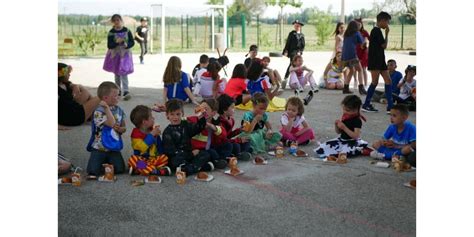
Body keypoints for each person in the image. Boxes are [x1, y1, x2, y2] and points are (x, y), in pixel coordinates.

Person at [161, 99, 214, 175]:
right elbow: (171, 152)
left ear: (182, 113)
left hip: (189, 155)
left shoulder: (186, 124)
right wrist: (191, 154)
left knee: (205, 154)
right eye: (172, 114)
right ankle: (198, 167)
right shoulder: (167, 132)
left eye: (178, 114)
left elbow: (199, 127)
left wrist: (201, 117)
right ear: (167, 115)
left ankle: (188, 168)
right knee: (175, 161)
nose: (175, 117)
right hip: (179, 157)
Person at [85, 82, 126, 179]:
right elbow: (111, 124)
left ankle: (106, 163)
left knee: (120, 169)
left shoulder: (119, 110)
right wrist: (107, 108)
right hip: (100, 147)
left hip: (113, 146)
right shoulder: (99, 111)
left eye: (118, 95)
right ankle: (102, 163)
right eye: (115, 96)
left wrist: (121, 129)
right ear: (105, 98)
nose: (118, 97)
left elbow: (123, 127)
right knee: (93, 172)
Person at [362, 11, 393, 113]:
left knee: (388, 80)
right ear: (382, 21)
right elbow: (384, 45)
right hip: (375, 61)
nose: (387, 24)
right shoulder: (376, 31)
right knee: (374, 82)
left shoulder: (377, 31)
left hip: (381, 60)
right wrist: (387, 33)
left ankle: (390, 106)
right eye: (387, 22)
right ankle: (366, 104)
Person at [127, 105, 171, 176]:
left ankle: (140, 170)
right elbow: (142, 147)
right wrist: (151, 135)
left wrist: (158, 137)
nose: (153, 118)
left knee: (164, 158)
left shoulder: (152, 130)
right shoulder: (135, 134)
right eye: (151, 117)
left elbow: (159, 147)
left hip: (153, 159)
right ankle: (156, 171)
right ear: (145, 122)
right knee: (133, 159)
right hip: (141, 159)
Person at [188, 99, 230, 169]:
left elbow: (224, 134)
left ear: (213, 113)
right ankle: (216, 162)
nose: (202, 111)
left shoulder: (215, 123)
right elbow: (181, 119)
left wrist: (213, 127)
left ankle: (220, 159)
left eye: (205, 109)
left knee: (228, 145)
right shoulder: (193, 119)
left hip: (211, 148)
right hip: (198, 150)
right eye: (201, 108)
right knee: (210, 153)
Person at [240, 92, 282, 161]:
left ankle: (266, 144)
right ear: (254, 105)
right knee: (252, 138)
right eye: (261, 108)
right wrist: (255, 120)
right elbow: (247, 131)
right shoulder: (247, 116)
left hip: (260, 133)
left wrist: (269, 131)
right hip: (250, 134)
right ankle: (264, 146)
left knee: (276, 134)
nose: (262, 111)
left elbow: (269, 127)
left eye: (264, 109)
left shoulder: (264, 115)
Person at [103, 14, 135, 101]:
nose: (117, 22)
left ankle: (126, 91)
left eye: (118, 20)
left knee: (124, 72)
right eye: (115, 21)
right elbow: (109, 45)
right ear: (113, 22)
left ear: (121, 20)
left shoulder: (127, 30)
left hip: (125, 55)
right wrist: (117, 42)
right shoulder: (111, 32)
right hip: (115, 55)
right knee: (117, 73)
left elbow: (132, 42)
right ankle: (118, 90)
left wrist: (127, 45)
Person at [58, 63, 100, 127]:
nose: (69, 75)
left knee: (83, 89)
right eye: (67, 73)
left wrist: (75, 86)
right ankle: (98, 113)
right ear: (61, 76)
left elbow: (76, 86)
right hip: (73, 117)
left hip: (72, 109)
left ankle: (94, 114)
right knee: (99, 97)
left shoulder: (65, 83)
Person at [217, 94, 253, 161]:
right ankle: (236, 155)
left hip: (228, 141)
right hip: (222, 144)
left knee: (247, 140)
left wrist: (239, 130)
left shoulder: (231, 120)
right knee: (235, 145)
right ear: (225, 110)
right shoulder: (220, 123)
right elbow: (224, 140)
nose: (234, 109)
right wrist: (239, 140)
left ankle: (240, 153)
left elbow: (229, 135)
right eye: (232, 107)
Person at [341, 20, 366, 95]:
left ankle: (345, 87)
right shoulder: (357, 33)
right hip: (352, 55)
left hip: (344, 56)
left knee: (351, 70)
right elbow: (362, 46)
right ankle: (361, 88)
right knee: (360, 70)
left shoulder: (346, 34)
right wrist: (365, 42)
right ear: (355, 27)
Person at [355, 18, 370, 90]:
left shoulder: (364, 32)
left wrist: (368, 46)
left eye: (359, 24)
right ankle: (356, 82)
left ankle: (366, 84)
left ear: (361, 24)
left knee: (363, 69)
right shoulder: (353, 33)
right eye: (356, 24)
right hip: (355, 52)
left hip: (364, 52)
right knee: (355, 69)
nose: (358, 26)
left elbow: (371, 39)